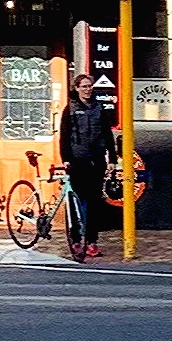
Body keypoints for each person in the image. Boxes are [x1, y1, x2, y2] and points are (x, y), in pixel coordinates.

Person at [55, 74, 114, 261]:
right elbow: (64, 136)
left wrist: (112, 158)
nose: (88, 90)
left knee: (95, 202)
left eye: (90, 86)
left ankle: (91, 241)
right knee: (76, 202)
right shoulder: (70, 109)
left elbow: (107, 134)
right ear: (77, 88)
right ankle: (75, 239)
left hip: (96, 160)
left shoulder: (99, 108)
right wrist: (66, 158)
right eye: (84, 86)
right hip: (77, 161)